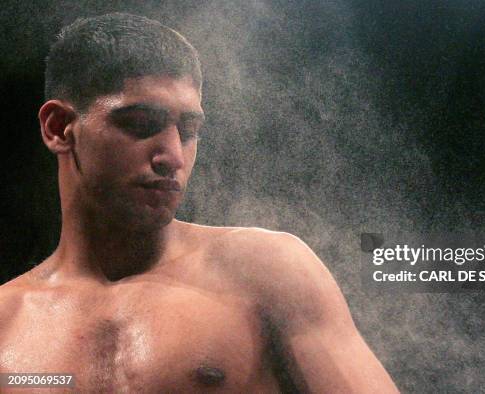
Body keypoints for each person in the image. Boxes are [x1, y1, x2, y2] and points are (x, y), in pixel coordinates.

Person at [0, 13, 398, 393]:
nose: (172, 156)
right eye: (141, 125)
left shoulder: (264, 270)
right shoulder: (6, 324)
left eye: (188, 131)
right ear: (58, 128)